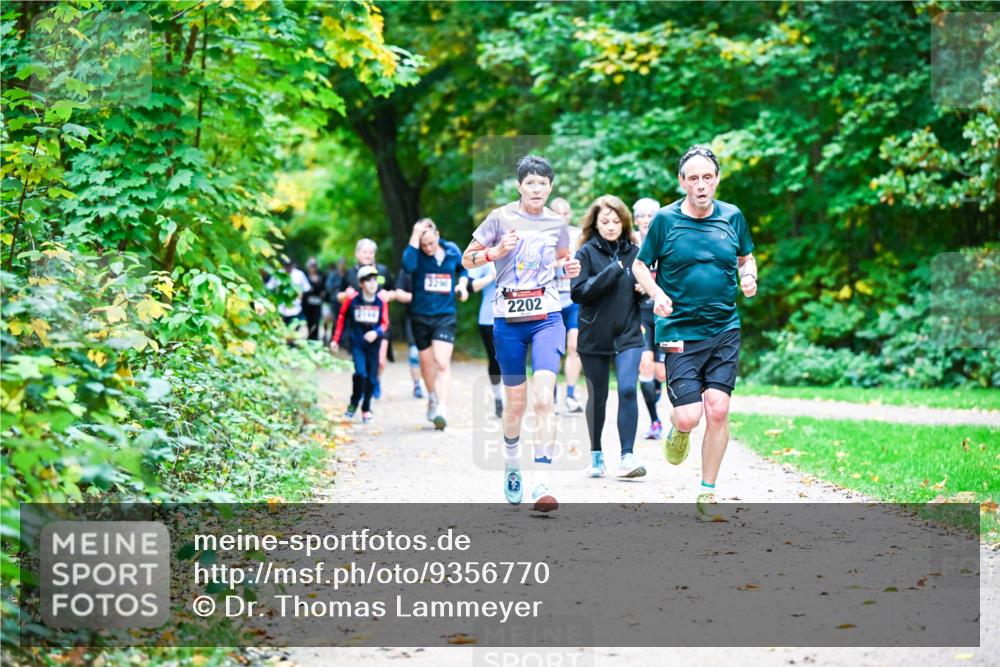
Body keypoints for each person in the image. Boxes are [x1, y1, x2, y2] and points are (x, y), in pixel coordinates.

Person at [633, 144, 757, 521]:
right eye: (693, 178)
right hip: (677, 330)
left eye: (708, 177)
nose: (701, 185)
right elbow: (640, 266)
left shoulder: (732, 217)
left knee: (718, 409)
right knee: (688, 416)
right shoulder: (666, 221)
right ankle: (679, 431)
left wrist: (748, 275)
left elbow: (745, 257)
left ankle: (708, 492)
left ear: (717, 180)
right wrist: (656, 294)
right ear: (682, 182)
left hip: (724, 327)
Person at [462, 155, 581, 513]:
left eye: (542, 183)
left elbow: (563, 260)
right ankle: (513, 462)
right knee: (515, 405)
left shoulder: (556, 223)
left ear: (550, 187)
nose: (536, 188)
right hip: (508, 321)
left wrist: (569, 266)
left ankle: (542, 478)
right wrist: (494, 252)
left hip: (547, 317)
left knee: (545, 398)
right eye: (530, 182)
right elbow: (468, 259)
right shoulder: (500, 218)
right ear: (519, 186)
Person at [571, 195, 646, 479]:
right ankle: (596, 454)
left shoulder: (636, 252)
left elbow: (651, 288)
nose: (611, 226)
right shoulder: (586, 253)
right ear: (595, 224)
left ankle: (627, 456)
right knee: (598, 396)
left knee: (628, 389)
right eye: (605, 221)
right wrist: (612, 271)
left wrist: (643, 290)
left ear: (624, 222)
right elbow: (579, 292)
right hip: (594, 335)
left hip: (628, 332)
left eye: (616, 221)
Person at [401, 218, 469, 430]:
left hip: (445, 315)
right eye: (424, 245)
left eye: (431, 243)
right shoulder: (416, 254)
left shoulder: (451, 250)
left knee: (441, 362)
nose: (428, 248)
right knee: (426, 362)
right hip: (420, 315)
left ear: (437, 235)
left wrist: (463, 285)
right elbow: (407, 266)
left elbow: (464, 269)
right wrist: (415, 235)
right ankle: (431, 396)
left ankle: (442, 408)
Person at [330, 265, 390, 425]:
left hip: (373, 346)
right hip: (357, 343)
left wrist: (376, 333)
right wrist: (336, 339)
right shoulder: (352, 300)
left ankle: (366, 408)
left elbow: (385, 323)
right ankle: (353, 402)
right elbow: (342, 318)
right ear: (361, 283)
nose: (372, 284)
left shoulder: (381, 301)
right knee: (360, 374)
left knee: (371, 378)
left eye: (374, 280)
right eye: (368, 281)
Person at [339, 239, 397, 399]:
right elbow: (338, 296)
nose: (367, 255)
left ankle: (374, 380)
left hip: (380, 323)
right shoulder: (350, 274)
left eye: (370, 252)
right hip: (358, 326)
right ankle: (366, 385)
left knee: (380, 362)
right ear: (357, 254)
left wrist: (389, 295)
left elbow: (395, 291)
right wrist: (345, 295)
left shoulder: (383, 271)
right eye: (364, 252)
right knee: (361, 361)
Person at [633, 198, 667, 439]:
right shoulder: (631, 242)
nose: (645, 220)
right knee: (645, 365)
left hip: (663, 314)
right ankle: (655, 421)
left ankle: (655, 394)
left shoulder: (666, 240)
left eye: (650, 216)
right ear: (635, 220)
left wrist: (652, 287)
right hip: (640, 314)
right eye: (641, 216)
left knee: (661, 373)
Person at [550, 197, 584, 414]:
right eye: (558, 213)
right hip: (550, 300)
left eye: (566, 213)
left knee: (574, 346)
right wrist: (559, 264)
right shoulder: (543, 236)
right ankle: (550, 395)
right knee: (552, 350)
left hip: (573, 300)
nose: (563, 217)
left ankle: (570, 395)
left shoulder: (579, 235)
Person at [467, 259, 504, 418]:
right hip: (489, 318)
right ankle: (498, 397)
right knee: (495, 359)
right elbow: (470, 286)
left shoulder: (519, 252)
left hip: (514, 316)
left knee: (514, 358)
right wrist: (491, 276)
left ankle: (514, 398)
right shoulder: (485, 258)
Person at [393, 269, 425, 399]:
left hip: (437, 318)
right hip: (413, 318)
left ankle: (432, 385)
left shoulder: (436, 263)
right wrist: (416, 297)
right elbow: (398, 292)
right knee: (414, 353)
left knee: (432, 356)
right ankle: (417, 385)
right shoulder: (407, 269)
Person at [266, 258, 312, 328]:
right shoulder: (278, 274)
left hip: (295, 310)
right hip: (281, 310)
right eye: (286, 266)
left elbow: (307, 289)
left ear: (293, 265)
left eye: (289, 266)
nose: (287, 268)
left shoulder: (299, 274)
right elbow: (269, 287)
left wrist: (300, 295)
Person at [302, 258, 326, 341]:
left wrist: (323, 293)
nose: (313, 268)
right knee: (309, 320)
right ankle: (309, 337)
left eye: (314, 266)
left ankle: (315, 338)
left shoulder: (321, 275)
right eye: (311, 266)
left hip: (318, 302)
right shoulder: (305, 275)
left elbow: (324, 287)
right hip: (307, 303)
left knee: (316, 320)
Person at [321, 261, 343, 344]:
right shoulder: (333, 274)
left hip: (341, 302)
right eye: (341, 263)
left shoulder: (345, 274)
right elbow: (328, 286)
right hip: (332, 301)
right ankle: (325, 335)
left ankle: (333, 338)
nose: (342, 265)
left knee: (337, 320)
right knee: (328, 319)